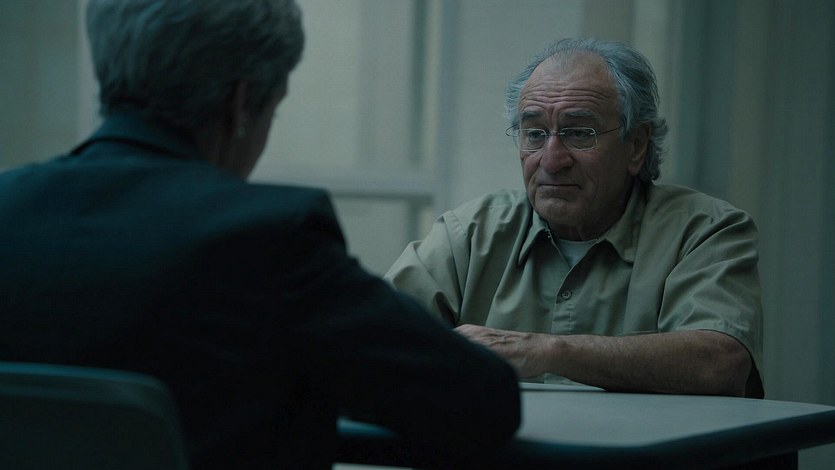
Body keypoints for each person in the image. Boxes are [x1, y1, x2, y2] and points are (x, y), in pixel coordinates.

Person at [0, 1, 520, 468]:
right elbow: (481, 402)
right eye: (276, 107)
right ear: (242, 103)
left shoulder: (8, 206)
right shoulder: (265, 237)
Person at [385, 38, 764, 398]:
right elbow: (372, 335)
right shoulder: (469, 234)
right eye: (534, 134)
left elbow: (720, 363)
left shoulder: (703, 231)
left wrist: (548, 351)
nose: (551, 160)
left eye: (579, 133)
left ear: (636, 145)